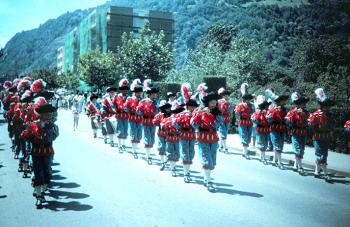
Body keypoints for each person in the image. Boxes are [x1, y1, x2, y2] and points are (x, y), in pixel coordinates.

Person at [26, 103, 59, 208]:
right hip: (36, 152)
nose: (49, 116)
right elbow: (28, 136)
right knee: (38, 173)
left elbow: (53, 137)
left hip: (48, 151)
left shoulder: (53, 126)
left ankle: (41, 190)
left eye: (50, 114)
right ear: (41, 115)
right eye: (46, 114)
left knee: (47, 172)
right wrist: (33, 134)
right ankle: (39, 196)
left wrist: (46, 129)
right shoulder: (33, 124)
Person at [191, 92, 223, 192]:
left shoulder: (218, 112)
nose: (214, 103)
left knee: (212, 160)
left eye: (215, 102)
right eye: (212, 102)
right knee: (206, 159)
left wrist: (209, 115)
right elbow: (193, 124)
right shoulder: (199, 110)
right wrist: (199, 114)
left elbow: (217, 124)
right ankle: (209, 181)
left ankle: (206, 178)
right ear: (208, 102)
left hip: (213, 137)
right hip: (203, 137)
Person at [174, 83, 198, 182]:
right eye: (190, 106)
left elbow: (198, 125)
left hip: (192, 135)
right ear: (187, 107)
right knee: (185, 154)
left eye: (193, 106)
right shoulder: (182, 114)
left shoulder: (195, 114)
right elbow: (176, 124)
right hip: (183, 135)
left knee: (191, 153)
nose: (192, 108)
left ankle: (187, 170)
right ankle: (186, 173)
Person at [308, 88, 334, 181]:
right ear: (322, 106)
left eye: (328, 106)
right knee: (320, 154)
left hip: (326, 136)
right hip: (317, 136)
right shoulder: (315, 114)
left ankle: (316, 172)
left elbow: (331, 126)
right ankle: (326, 174)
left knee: (325, 154)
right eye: (326, 106)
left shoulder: (330, 115)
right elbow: (311, 126)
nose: (327, 107)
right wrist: (310, 136)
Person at [285, 92, 309, 174]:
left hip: (303, 132)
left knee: (301, 150)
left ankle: (295, 165)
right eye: (303, 104)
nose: (304, 105)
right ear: (298, 104)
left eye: (304, 104)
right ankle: (300, 167)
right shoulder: (292, 111)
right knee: (298, 150)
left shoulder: (306, 112)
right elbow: (287, 121)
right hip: (295, 132)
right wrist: (296, 113)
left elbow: (309, 122)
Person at [136, 79, 159, 164]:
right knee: (147, 139)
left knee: (152, 140)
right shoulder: (143, 101)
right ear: (149, 95)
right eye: (152, 94)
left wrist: (152, 105)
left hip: (153, 122)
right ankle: (148, 156)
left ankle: (148, 153)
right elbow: (138, 112)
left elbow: (158, 112)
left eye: (154, 94)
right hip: (145, 121)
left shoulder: (156, 102)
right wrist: (140, 107)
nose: (154, 96)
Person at [266, 88, 289, 169]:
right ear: (279, 102)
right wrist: (274, 113)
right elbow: (268, 119)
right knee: (277, 145)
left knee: (280, 145)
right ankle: (280, 162)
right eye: (283, 101)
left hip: (282, 129)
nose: (284, 102)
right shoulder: (272, 109)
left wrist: (287, 120)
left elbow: (287, 119)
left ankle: (274, 160)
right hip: (274, 129)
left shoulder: (285, 110)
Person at [161, 101, 184, 177]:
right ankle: (173, 169)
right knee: (170, 153)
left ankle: (172, 165)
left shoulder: (181, 119)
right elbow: (163, 127)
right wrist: (166, 124)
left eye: (178, 111)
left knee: (177, 153)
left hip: (177, 138)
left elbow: (184, 128)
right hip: (170, 138)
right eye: (174, 112)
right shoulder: (169, 119)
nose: (176, 113)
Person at [124, 79, 143, 159]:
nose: (139, 94)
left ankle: (135, 148)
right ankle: (134, 151)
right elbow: (125, 108)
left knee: (139, 136)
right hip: (132, 119)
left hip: (139, 119)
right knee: (133, 134)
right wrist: (129, 110)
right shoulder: (130, 99)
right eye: (138, 93)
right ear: (135, 93)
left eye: (140, 92)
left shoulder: (142, 100)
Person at [235, 83, 255, 159]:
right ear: (244, 99)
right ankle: (246, 152)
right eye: (247, 99)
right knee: (244, 136)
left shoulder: (252, 105)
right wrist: (237, 114)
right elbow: (237, 114)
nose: (248, 100)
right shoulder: (240, 105)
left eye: (249, 99)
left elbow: (254, 113)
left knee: (249, 137)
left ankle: (244, 151)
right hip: (242, 122)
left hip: (249, 122)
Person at [251, 95, 270, 164]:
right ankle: (262, 157)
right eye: (266, 106)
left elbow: (270, 120)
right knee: (261, 143)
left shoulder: (269, 112)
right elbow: (255, 120)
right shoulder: (258, 113)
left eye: (267, 106)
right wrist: (261, 114)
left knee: (265, 144)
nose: (267, 107)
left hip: (267, 129)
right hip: (260, 129)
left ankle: (262, 156)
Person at [153, 100, 172, 171]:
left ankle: (169, 164)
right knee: (161, 148)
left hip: (170, 135)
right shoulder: (159, 114)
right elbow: (154, 121)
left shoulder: (172, 114)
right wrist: (158, 123)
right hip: (161, 134)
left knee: (169, 149)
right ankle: (162, 163)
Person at [113, 79, 130, 153]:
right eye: (123, 87)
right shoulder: (117, 96)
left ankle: (123, 145)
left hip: (126, 116)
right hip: (119, 115)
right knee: (120, 131)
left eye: (126, 87)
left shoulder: (129, 98)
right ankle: (119, 145)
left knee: (125, 131)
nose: (124, 89)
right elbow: (113, 105)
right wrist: (114, 111)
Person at [217, 87, 233, 154]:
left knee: (225, 132)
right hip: (221, 118)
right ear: (222, 95)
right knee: (223, 132)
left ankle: (221, 146)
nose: (226, 95)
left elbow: (231, 111)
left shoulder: (229, 102)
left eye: (226, 94)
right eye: (224, 94)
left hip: (227, 118)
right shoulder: (219, 101)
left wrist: (230, 111)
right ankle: (225, 147)